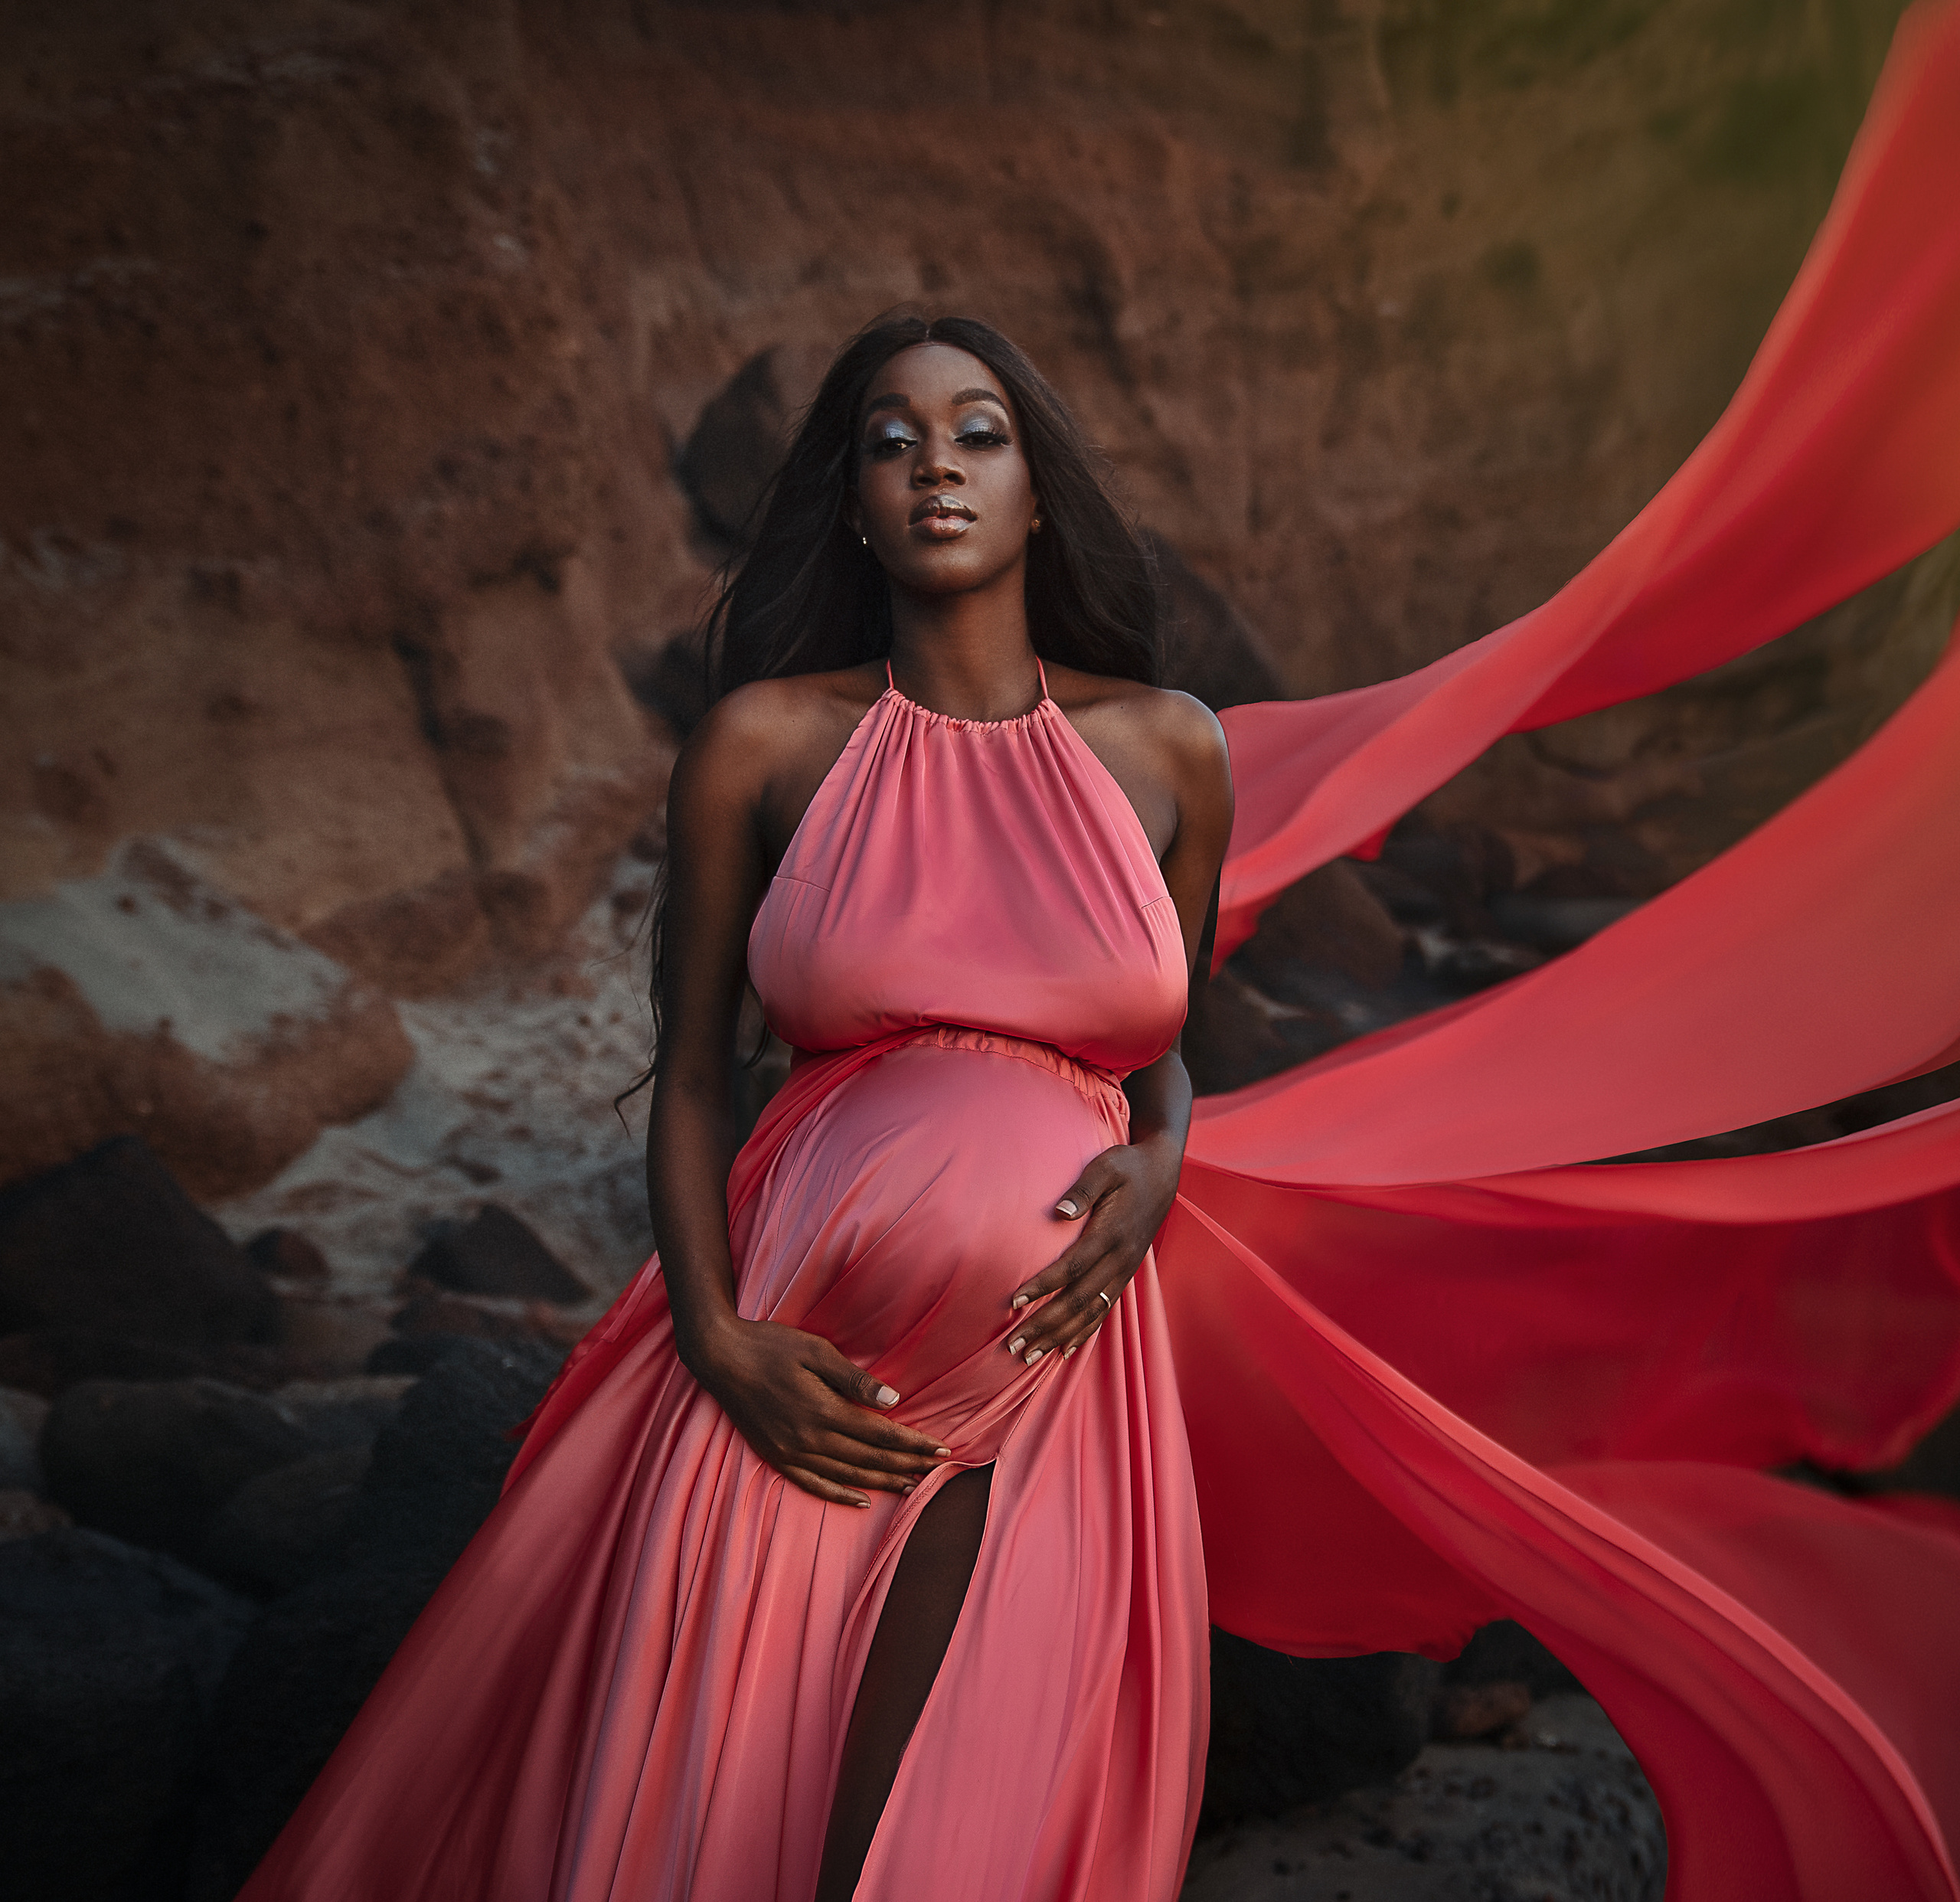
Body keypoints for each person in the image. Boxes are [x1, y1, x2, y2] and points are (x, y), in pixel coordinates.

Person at [240, 312, 1234, 1901]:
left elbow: (1163, 1042)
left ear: (1039, 492)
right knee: (717, 1820)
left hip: (1052, 1373)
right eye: (891, 443)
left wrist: (1165, 1159)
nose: (935, 469)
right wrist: (714, 1337)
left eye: (977, 435)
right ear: (854, 506)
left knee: (950, 1837)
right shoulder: (762, 747)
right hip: (798, 1368)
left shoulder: (1170, 748)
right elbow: (696, 1074)